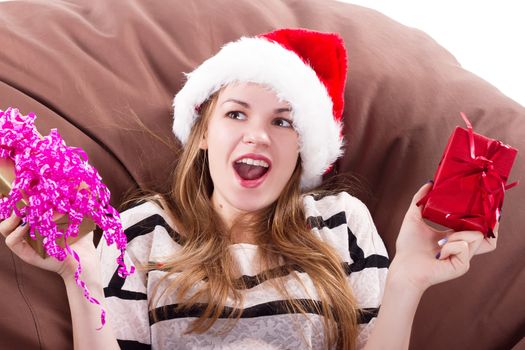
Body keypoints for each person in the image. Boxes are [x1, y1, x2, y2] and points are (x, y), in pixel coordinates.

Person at [0, 28, 497, 350]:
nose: (257, 135)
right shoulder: (138, 233)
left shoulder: (342, 221)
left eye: (283, 122)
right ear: (202, 136)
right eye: (236, 113)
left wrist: (408, 278)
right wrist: (79, 276)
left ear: (304, 150)